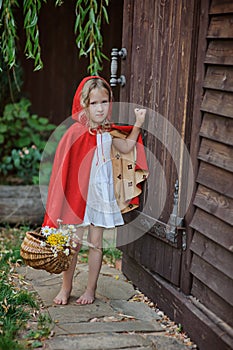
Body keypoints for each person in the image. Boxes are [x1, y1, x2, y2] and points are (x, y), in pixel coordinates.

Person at [42, 76, 148, 305]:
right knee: (73, 244)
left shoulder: (108, 133)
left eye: (104, 102)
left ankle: (90, 290)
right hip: (78, 196)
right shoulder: (75, 134)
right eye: (94, 103)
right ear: (84, 105)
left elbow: (128, 146)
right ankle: (66, 287)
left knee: (96, 243)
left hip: (100, 196)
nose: (100, 108)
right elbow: (63, 170)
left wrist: (138, 123)